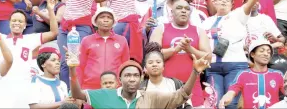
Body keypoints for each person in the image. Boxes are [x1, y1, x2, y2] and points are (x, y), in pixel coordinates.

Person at [67, 47, 211, 108]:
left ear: (141, 78)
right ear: (119, 79)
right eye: (127, 75)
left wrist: (195, 71)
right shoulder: (105, 95)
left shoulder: (150, 97)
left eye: (136, 75)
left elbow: (181, 96)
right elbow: (77, 94)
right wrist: (73, 70)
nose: (131, 79)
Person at [200, 0, 261, 108]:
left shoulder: (237, 15)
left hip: (235, 65)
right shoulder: (205, 22)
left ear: (232, 5)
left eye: (227, 0)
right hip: (212, 66)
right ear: (215, 3)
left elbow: (248, 6)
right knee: (215, 102)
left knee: (231, 103)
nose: (223, 1)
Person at [150, 0, 211, 107]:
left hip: (192, 87)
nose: (183, 11)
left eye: (187, 9)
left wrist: (189, 49)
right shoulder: (161, 29)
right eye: (179, 8)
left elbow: (208, 58)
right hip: (165, 87)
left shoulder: (199, 31)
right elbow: (151, 57)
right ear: (171, 12)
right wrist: (175, 49)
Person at [53, 0, 95, 88]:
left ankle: (76, 91)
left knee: (75, 60)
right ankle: (66, 90)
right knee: (64, 61)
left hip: (81, 27)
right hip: (65, 26)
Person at [219, 39, 284, 109]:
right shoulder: (243, 74)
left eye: (269, 52)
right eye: (262, 51)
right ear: (252, 54)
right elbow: (232, 90)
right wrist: (226, 98)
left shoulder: (278, 74)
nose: (266, 54)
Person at [77, 7, 130, 89]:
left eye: (109, 17)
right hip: (90, 87)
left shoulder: (122, 40)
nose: (106, 20)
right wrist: (79, 89)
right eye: (102, 17)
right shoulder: (86, 40)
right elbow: (80, 66)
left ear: (113, 22)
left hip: (115, 87)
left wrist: (124, 87)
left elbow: (126, 66)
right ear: (95, 21)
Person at [140, 42, 193, 109]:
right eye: (150, 62)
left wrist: (195, 71)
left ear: (163, 66)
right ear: (145, 68)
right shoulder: (140, 88)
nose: (154, 64)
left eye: (158, 62)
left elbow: (187, 105)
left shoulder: (176, 84)